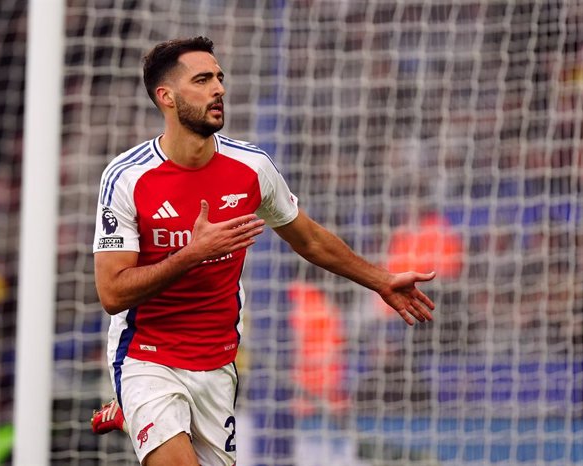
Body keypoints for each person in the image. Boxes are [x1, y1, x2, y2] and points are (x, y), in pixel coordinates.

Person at [92, 36, 436, 466]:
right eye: (202, 80)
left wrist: (382, 280)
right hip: (146, 354)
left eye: (219, 78)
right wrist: (192, 253)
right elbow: (112, 294)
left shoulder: (252, 168)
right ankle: (140, 401)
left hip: (216, 363)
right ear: (167, 97)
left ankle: (134, 413)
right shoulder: (127, 178)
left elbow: (308, 238)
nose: (218, 88)